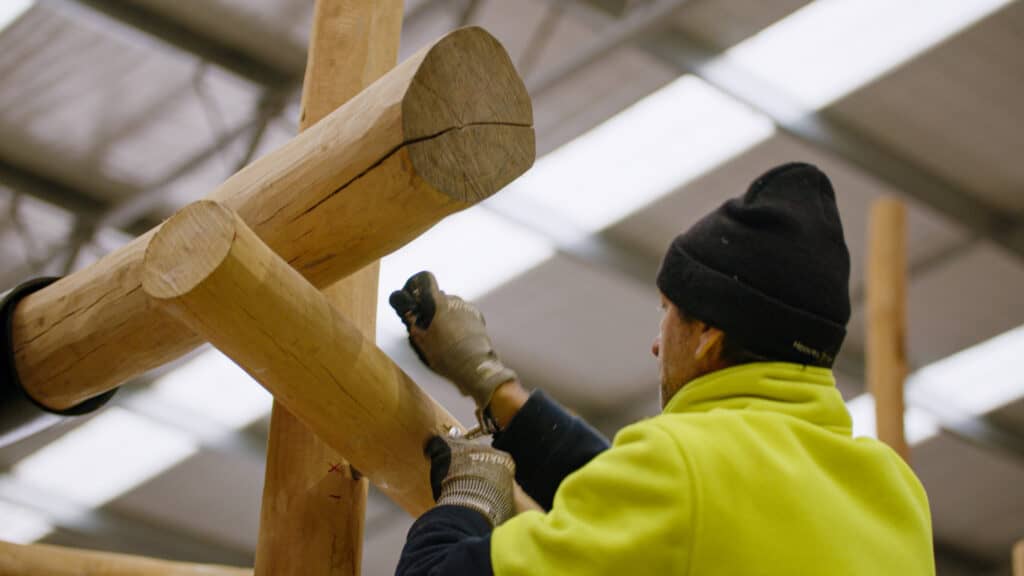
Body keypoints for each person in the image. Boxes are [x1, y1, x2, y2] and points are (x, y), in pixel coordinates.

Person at [389, 162, 935, 575]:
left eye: (668, 312)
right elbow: (663, 517)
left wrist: (471, 498)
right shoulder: (895, 492)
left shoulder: (680, 470)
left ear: (707, 338)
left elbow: (667, 497)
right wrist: (491, 383)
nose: (656, 344)